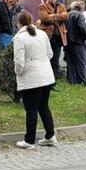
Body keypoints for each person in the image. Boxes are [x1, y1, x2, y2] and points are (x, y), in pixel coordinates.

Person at [12, 11, 57, 149]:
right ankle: (50, 136)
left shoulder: (19, 38)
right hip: (46, 76)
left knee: (31, 110)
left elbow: (19, 62)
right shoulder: (42, 34)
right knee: (44, 107)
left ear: (18, 23)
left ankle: (29, 140)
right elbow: (50, 54)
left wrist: (18, 73)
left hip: (31, 77)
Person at [38, 0, 69, 81]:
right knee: (46, 60)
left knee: (55, 61)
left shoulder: (62, 6)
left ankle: (53, 82)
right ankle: (44, 81)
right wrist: (58, 17)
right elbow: (45, 19)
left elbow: (66, 17)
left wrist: (52, 16)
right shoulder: (42, 6)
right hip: (47, 37)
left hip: (58, 37)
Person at [64, 1, 86, 85]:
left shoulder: (67, 14)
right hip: (78, 42)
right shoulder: (79, 15)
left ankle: (71, 81)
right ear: (81, 8)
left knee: (70, 62)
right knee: (81, 62)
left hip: (67, 41)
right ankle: (83, 81)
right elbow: (82, 28)